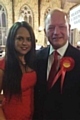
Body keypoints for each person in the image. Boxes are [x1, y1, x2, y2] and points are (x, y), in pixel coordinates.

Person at [33, 8, 80, 120]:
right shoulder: (36, 58)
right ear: (45, 31)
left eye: (62, 27)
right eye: (51, 27)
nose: (56, 32)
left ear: (69, 28)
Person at [0, 21, 37, 120]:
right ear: (12, 40)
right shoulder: (3, 64)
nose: (25, 43)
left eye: (28, 39)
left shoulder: (32, 61)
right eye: (20, 38)